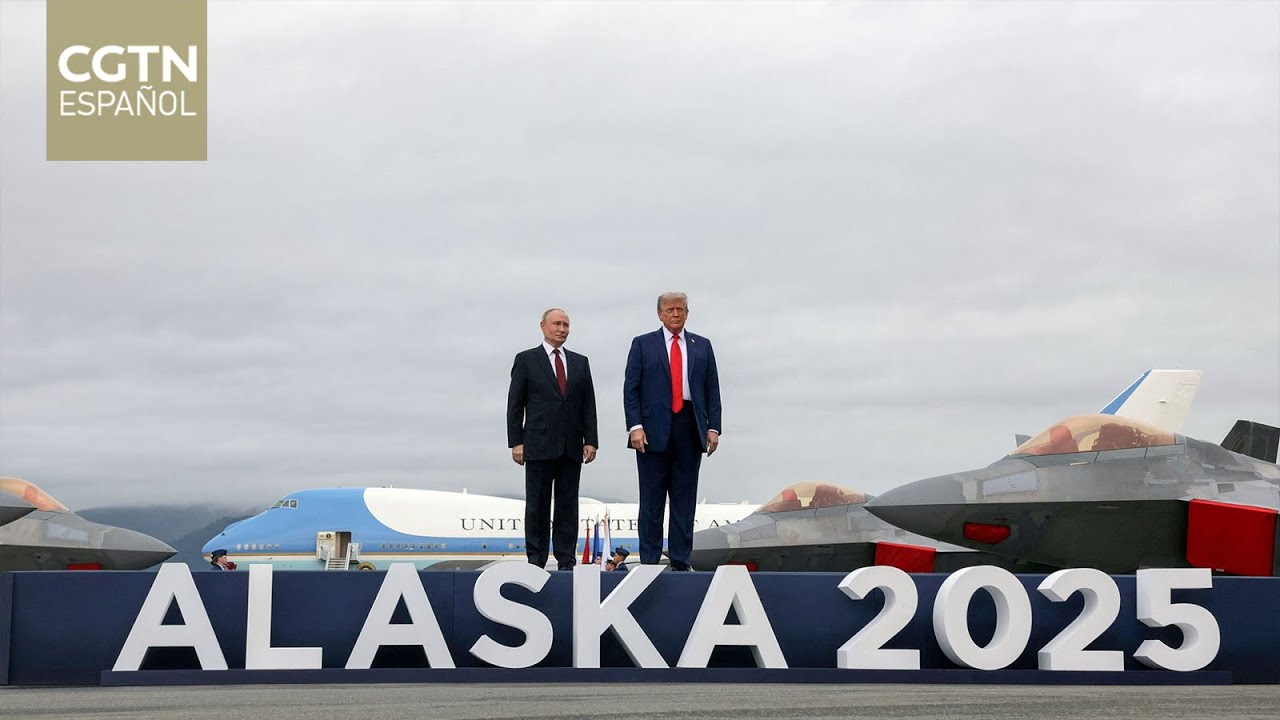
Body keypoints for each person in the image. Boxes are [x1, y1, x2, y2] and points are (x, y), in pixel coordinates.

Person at [623, 292, 721, 571]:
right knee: (652, 499)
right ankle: (650, 560)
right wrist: (635, 426)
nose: (675, 314)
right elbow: (631, 388)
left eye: (680, 309)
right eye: (670, 309)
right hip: (652, 431)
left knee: (684, 498)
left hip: (690, 427)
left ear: (687, 313)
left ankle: (681, 559)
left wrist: (713, 427)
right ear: (660, 314)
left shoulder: (702, 345)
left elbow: (712, 389)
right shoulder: (643, 344)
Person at [507, 308, 599, 570]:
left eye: (566, 325)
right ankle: (535, 559)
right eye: (557, 324)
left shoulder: (580, 362)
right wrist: (516, 441)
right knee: (537, 504)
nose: (561, 329)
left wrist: (590, 439)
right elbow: (515, 403)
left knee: (568, 505)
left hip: (572, 445)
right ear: (543, 326)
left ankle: (566, 559)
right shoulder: (526, 360)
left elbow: (588, 404)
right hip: (537, 443)